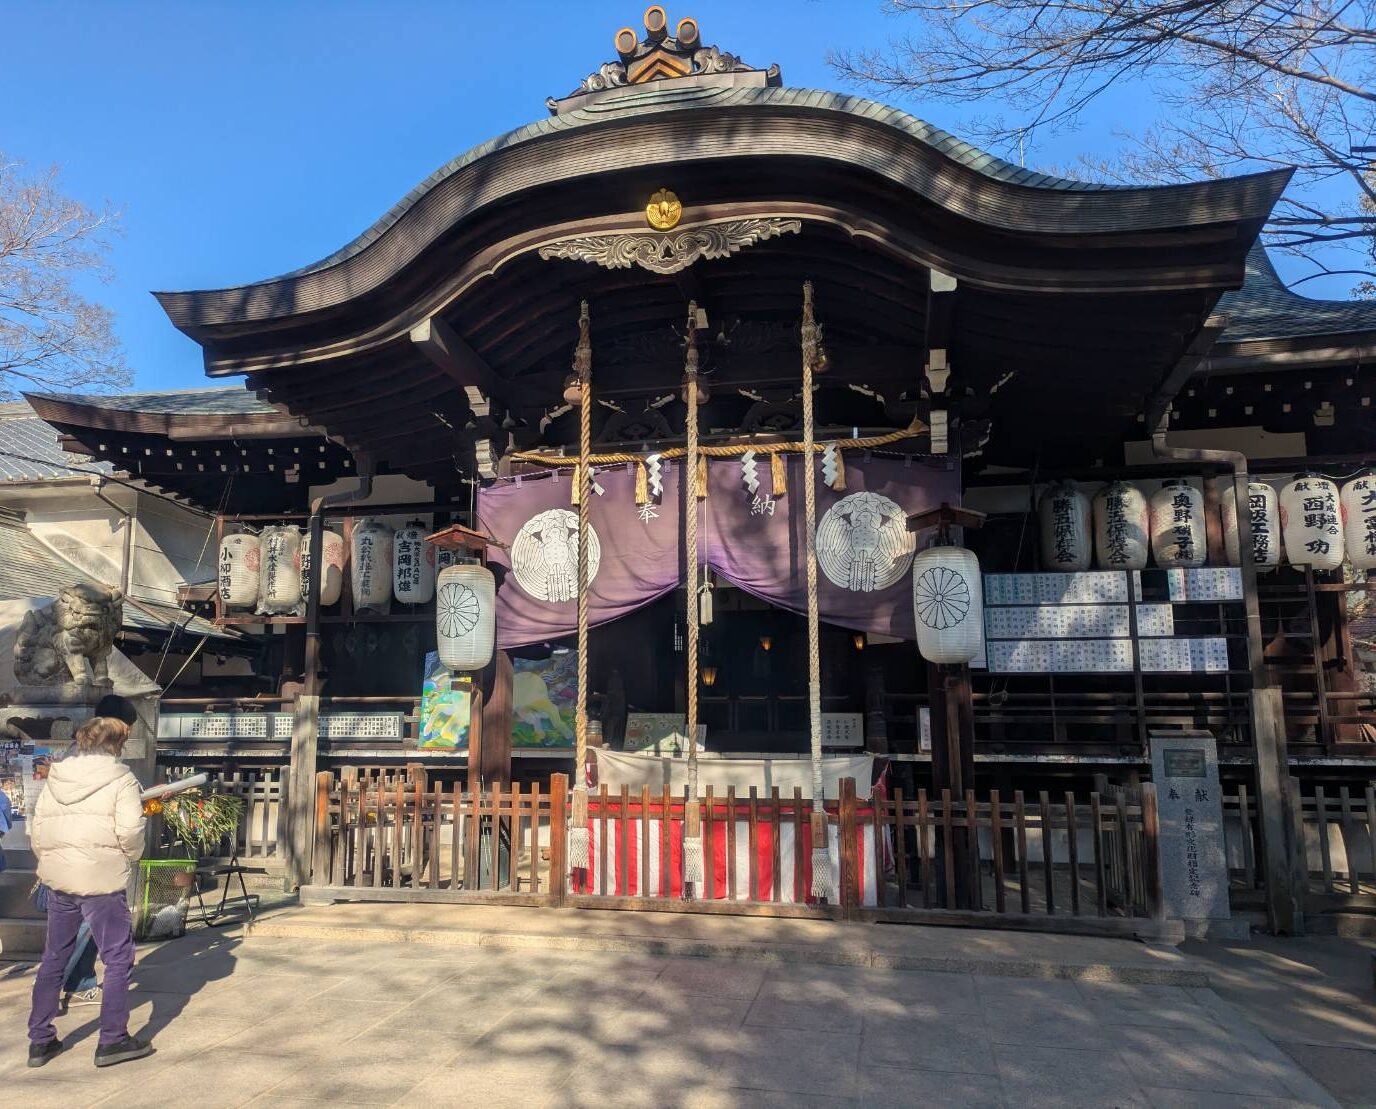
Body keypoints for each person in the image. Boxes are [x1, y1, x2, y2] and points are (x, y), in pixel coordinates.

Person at [27, 716, 151, 1069]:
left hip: (60, 878)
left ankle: (40, 1040)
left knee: (54, 956)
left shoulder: (56, 776)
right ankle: (112, 1039)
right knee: (118, 958)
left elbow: (38, 830)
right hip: (101, 878)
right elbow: (130, 830)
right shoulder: (121, 779)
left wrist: (52, 861)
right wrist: (131, 856)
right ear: (117, 744)